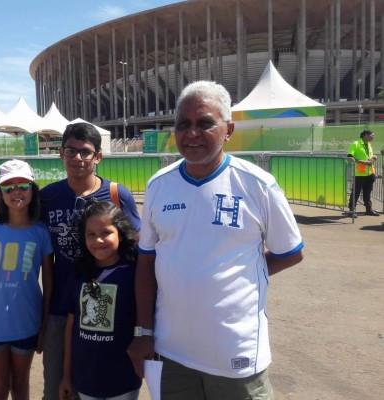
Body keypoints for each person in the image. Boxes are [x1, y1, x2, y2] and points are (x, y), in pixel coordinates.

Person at [127, 80, 304, 400]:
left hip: (236, 356)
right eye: (183, 124)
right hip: (172, 352)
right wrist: (143, 332)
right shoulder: (158, 186)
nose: (191, 133)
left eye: (205, 122)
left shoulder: (258, 185)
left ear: (228, 129)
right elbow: (146, 261)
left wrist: (244, 274)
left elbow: (290, 252)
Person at [40, 122, 141, 400]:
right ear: (61, 154)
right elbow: (29, 240)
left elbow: (140, 249)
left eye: (85, 152)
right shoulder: (48, 197)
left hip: (112, 308)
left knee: (105, 384)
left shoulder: (117, 195)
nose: (77, 159)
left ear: (98, 156)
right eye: (71, 151)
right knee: (57, 388)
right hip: (62, 309)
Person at [0, 159, 54, 400]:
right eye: (8, 187)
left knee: (20, 386)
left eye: (23, 186)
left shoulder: (41, 231)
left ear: (32, 190)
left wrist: (44, 324)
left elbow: (49, 284)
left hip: (27, 323)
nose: (16, 192)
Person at [59, 200, 141, 400]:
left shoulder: (134, 272)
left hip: (123, 378)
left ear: (120, 234)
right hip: (85, 378)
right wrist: (66, 375)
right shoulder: (79, 272)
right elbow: (71, 325)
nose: (98, 241)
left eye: (106, 233)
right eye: (91, 235)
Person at [347, 129, 379, 217]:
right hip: (359, 174)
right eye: (372, 135)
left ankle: (368, 209)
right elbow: (350, 157)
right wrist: (363, 162)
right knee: (355, 193)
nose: (373, 137)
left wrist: (374, 158)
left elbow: (369, 157)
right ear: (365, 135)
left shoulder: (369, 145)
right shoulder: (355, 144)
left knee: (367, 192)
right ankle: (351, 210)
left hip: (370, 173)